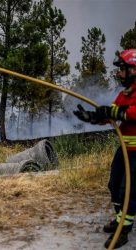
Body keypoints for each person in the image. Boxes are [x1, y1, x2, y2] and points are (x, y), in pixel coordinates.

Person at [73, 48, 136, 249]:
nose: (119, 73)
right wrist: (93, 117)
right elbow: (111, 115)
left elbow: (131, 113)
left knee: (128, 191)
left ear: (134, 70)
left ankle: (124, 231)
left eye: (122, 69)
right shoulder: (123, 94)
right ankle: (120, 219)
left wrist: (112, 111)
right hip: (125, 151)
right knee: (114, 184)